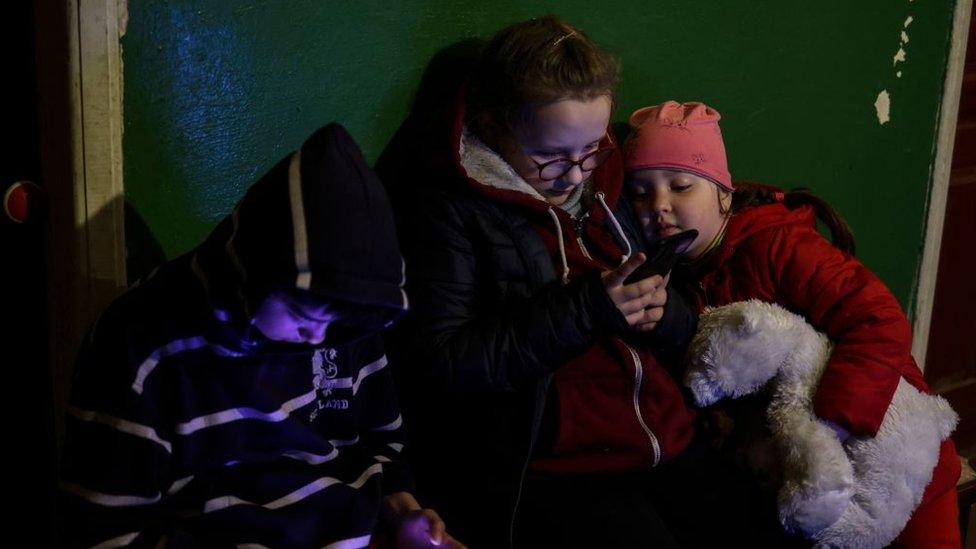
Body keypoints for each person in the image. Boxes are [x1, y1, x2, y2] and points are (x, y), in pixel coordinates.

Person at [59, 123, 463, 548]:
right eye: (300, 312)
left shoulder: (346, 323)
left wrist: (405, 513)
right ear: (252, 275)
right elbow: (107, 533)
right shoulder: (139, 347)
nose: (318, 336)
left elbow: (382, 446)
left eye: (337, 322)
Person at [379, 17, 698, 547]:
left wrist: (666, 313)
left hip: (667, 434)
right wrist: (589, 309)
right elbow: (442, 363)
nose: (575, 174)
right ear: (494, 124)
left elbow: (678, 322)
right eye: (550, 156)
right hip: (557, 464)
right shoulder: (448, 209)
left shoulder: (607, 175)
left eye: (592, 148)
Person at [624, 100, 962, 547]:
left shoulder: (776, 245)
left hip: (895, 455)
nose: (659, 206)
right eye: (642, 192)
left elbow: (878, 317)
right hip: (809, 483)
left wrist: (829, 428)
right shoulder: (674, 281)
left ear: (724, 193)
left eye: (681, 186)